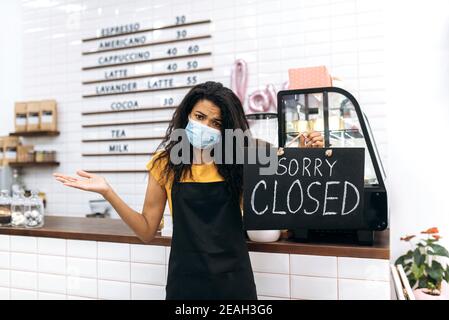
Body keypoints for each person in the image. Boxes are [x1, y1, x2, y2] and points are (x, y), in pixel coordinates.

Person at [53, 81, 324, 300]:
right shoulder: (164, 164)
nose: (205, 127)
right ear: (187, 117)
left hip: (234, 283)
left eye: (216, 123)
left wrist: (307, 152)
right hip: (185, 284)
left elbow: (289, 178)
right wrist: (108, 192)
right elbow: (147, 231)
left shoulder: (245, 156)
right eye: (200, 117)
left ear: (227, 129)